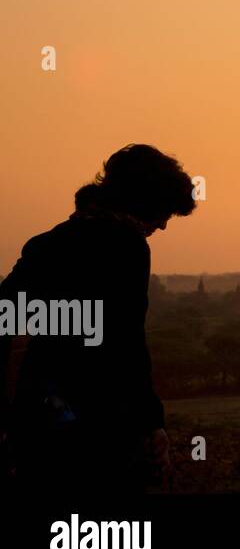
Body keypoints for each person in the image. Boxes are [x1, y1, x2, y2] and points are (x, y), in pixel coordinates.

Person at [0, 145, 196, 493]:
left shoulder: (46, 243)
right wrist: (152, 423)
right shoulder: (126, 244)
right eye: (162, 212)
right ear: (142, 200)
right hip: (102, 422)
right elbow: (126, 343)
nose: (163, 225)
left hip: (39, 417)